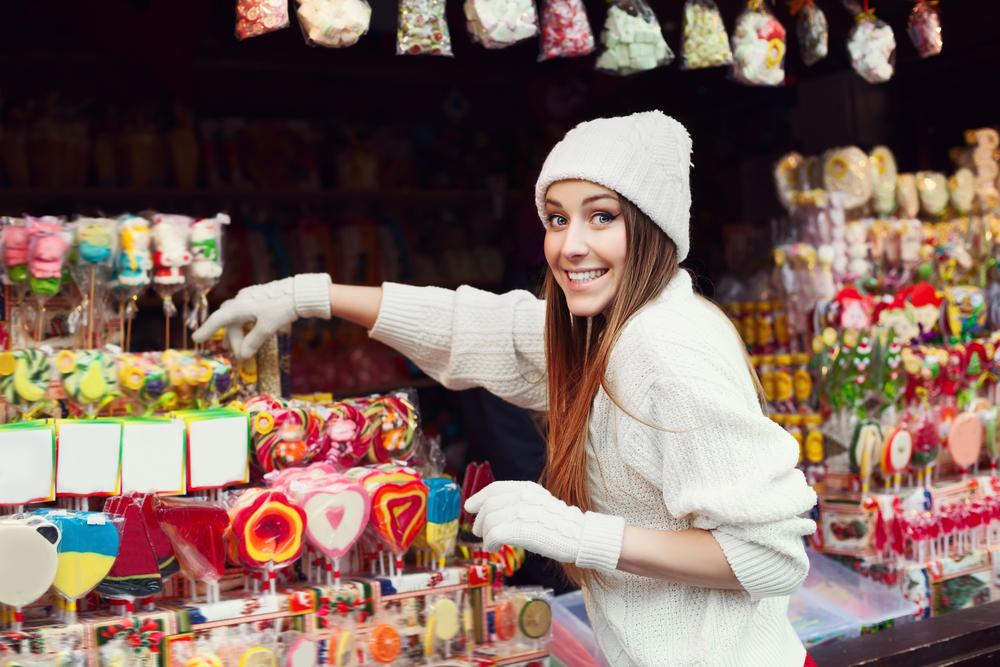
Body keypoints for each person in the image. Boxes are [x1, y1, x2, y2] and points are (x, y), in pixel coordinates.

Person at [195, 111, 817, 666]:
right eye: (556, 218)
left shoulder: (662, 345)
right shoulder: (598, 329)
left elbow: (766, 556)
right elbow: (476, 325)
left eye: (602, 217)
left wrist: (575, 534)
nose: (571, 246)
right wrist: (309, 295)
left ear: (652, 228)